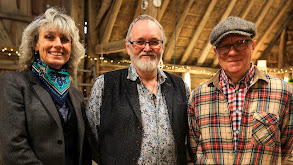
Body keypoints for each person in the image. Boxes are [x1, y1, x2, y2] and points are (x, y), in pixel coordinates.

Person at [86, 14, 191, 164]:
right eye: (140, 42)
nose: (147, 48)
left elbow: (188, 138)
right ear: (128, 47)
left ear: (162, 46)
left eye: (154, 42)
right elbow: (91, 138)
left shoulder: (180, 86)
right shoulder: (105, 85)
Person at [188, 16, 293, 164]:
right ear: (215, 51)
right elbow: (192, 153)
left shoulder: (283, 92)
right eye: (224, 46)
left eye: (241, 43)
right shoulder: (198, 97)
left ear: (253, 45)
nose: (232, 52)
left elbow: (289, 152)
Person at [0, 7, 91, 165]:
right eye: (49, 37)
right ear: (35, 44)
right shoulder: (13, 84)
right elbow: (13, 147)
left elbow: (83, 148)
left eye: (64, 40)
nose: (58, 45)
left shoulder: (76, 95)